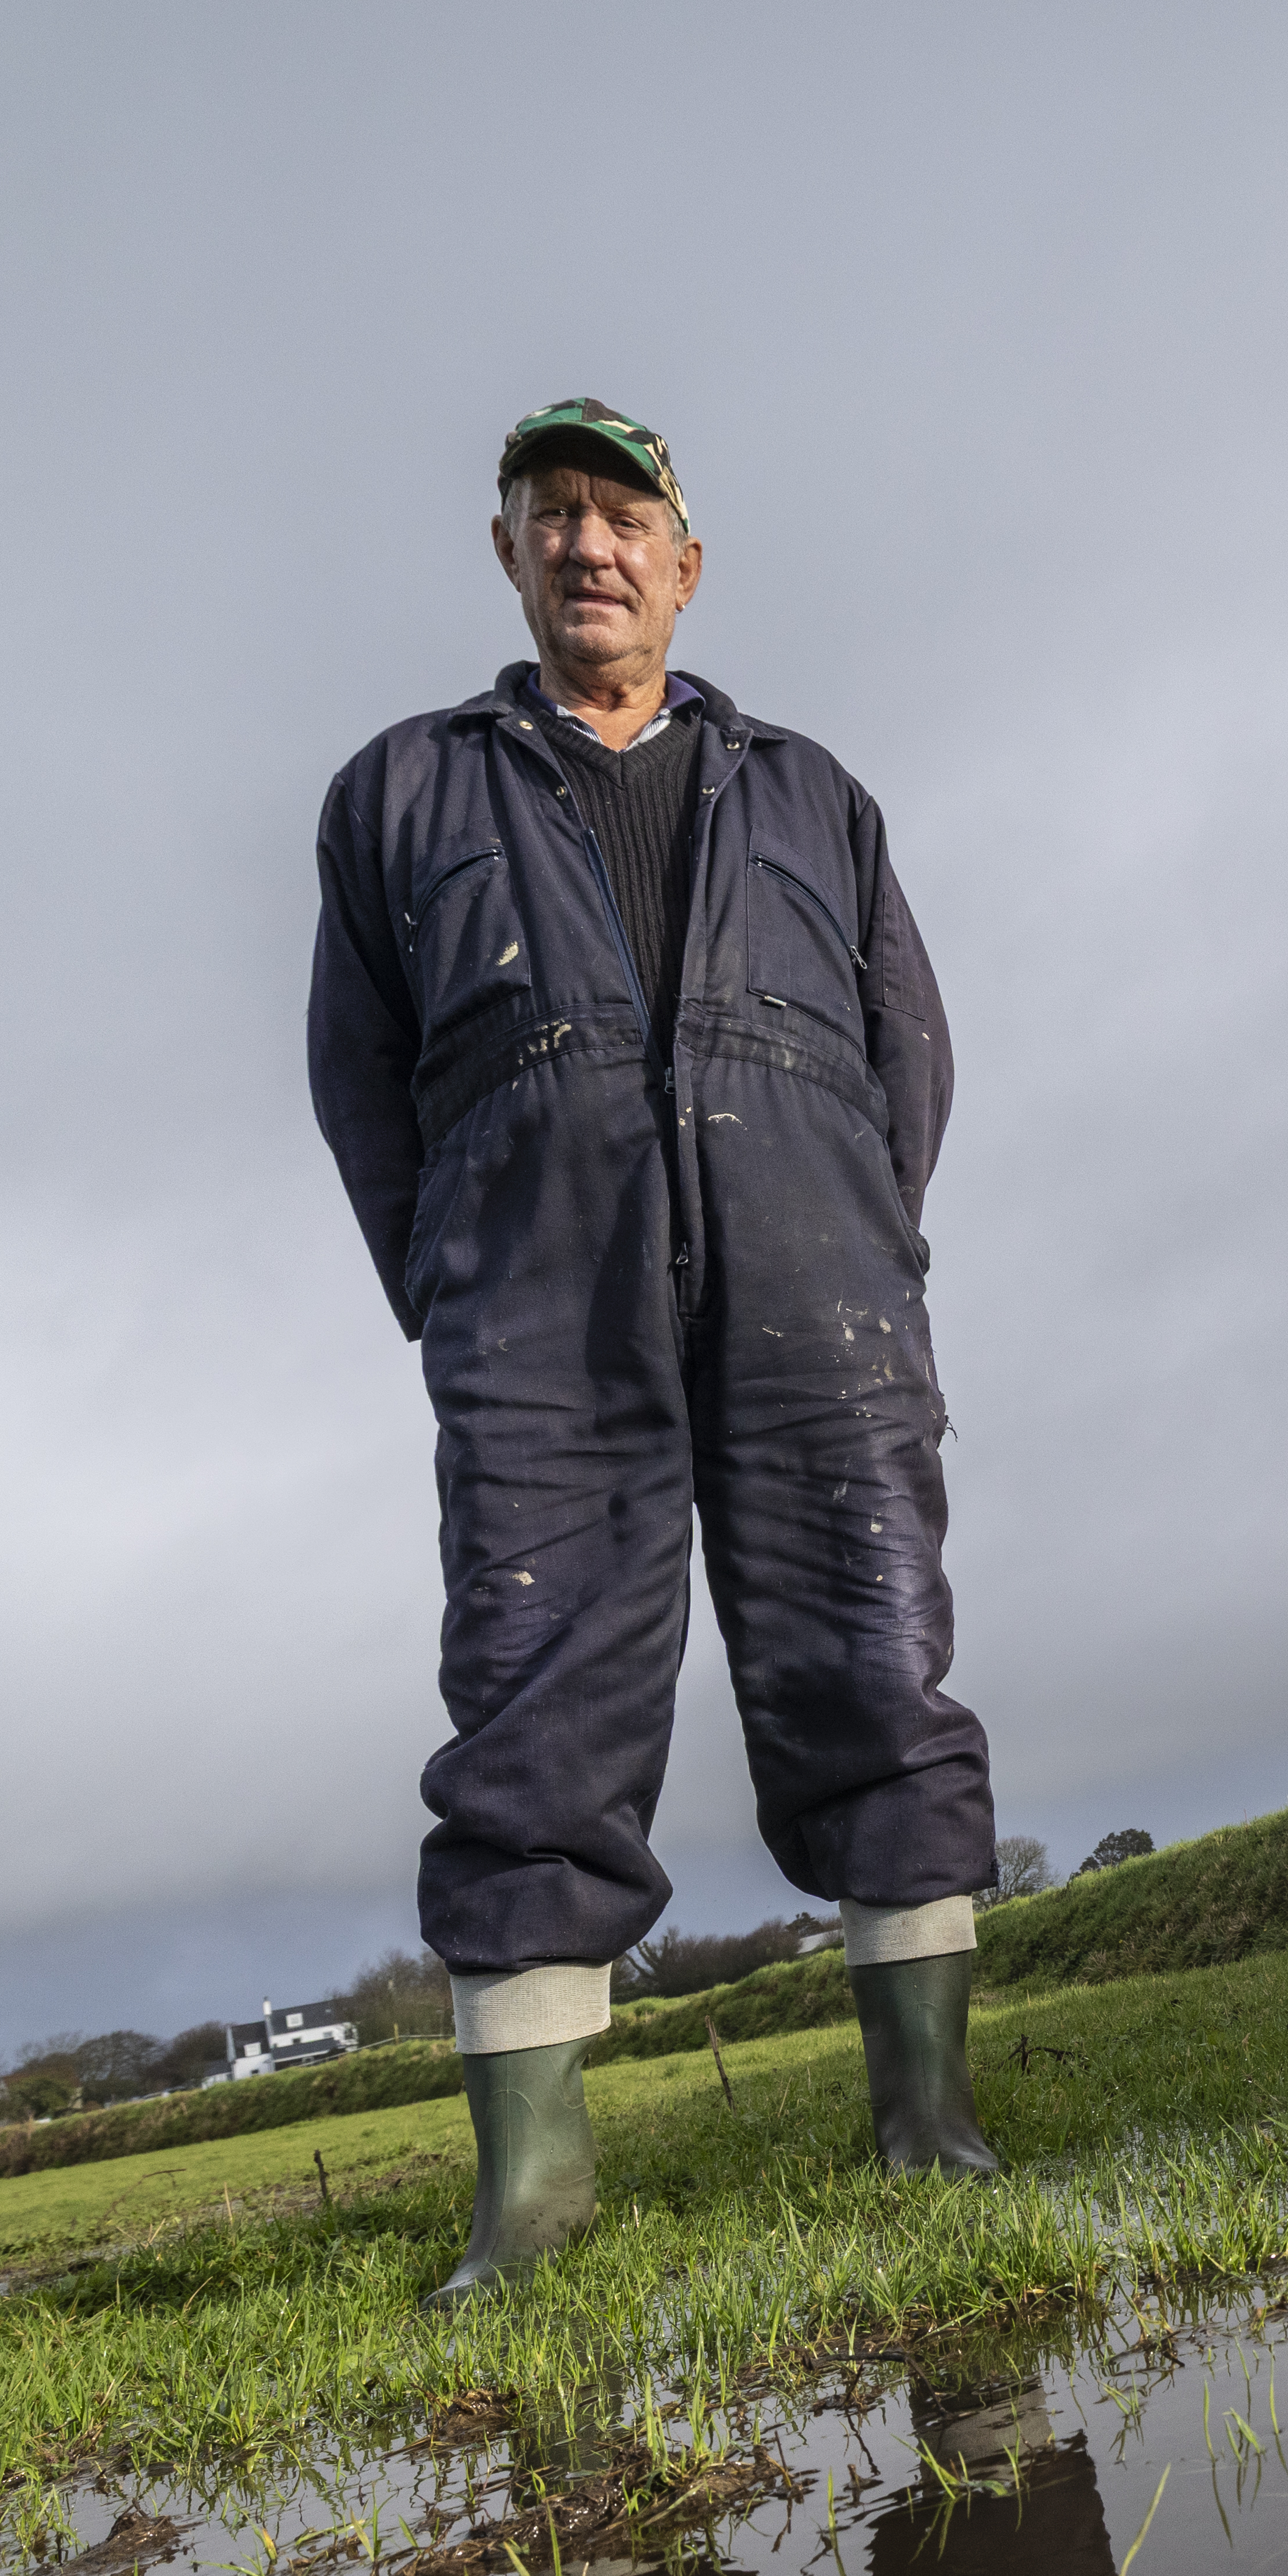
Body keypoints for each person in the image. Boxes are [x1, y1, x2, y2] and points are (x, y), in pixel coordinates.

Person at [308, 398, 1006, 2309]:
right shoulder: (401, 792)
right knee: (530, 1701)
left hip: (816, 1291)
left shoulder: (811, 792)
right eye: (553, 513)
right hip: (535, 1308)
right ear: (508, 552)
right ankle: (531, 2205)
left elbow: (910, 1051)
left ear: (686, 565)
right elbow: (361, 1084)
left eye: (626, 517)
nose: (590, 543)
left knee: (876, 1663)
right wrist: (458, 1282)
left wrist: (848, 1231)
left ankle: (929, 2120)